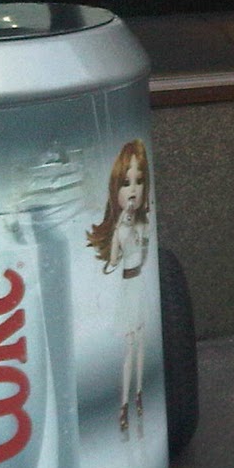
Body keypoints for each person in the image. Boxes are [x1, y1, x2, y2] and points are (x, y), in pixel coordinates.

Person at [88, 139, 154, 437]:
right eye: (127, 183)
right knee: (130, 346)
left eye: (139, 181)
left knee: (141, 344)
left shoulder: (143, 225)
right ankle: (124, 404)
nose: (134, 190)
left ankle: (140, 394)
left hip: (140, 284)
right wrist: (121, 232)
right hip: (129, 286)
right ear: (116, 189)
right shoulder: (123, 229)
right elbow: (114, 260)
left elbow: (147, 254)